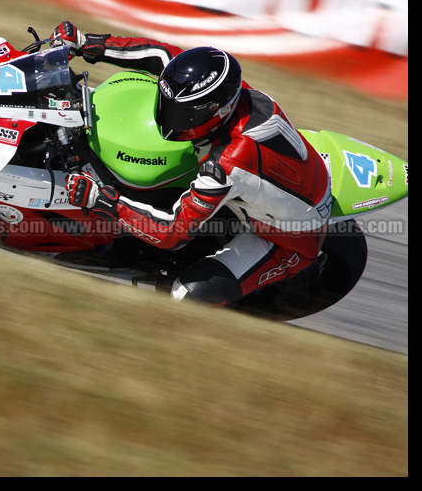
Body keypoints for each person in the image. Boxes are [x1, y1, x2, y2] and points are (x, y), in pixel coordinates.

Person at [51, 21, 332, 306]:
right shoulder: (228, 91)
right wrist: (89, 43)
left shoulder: (228, 162)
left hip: (286, 236)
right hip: (277, 179)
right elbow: (161, 54)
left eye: (183, 115)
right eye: (168, 104)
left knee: (185, 296)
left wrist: (104, 201)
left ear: (218, 112)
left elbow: (172, 233)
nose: (171, 117)